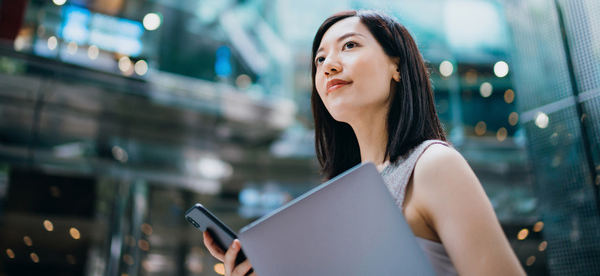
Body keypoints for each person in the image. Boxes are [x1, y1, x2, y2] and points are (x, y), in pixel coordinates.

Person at [204, 10, 526, 276]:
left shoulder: (433, 165)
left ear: (396, 66)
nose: (328, 65)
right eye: (319, 60)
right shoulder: (340, 200)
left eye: (349, 46)